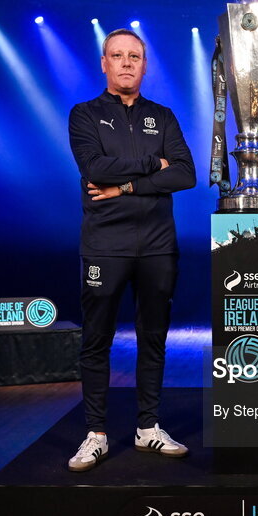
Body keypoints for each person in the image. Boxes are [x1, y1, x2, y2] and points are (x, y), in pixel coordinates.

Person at [66, 28, 196, 472]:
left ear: (144, 65)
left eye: (134, 56)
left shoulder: (162, 116)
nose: (126, 63)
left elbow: (185, 174)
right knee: (97, 339)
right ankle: (96, 434)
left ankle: (148, 427)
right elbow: (94, 167)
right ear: (104, 63)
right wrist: (152, 164)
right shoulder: (84, 114)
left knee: (153, 337)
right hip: (105, 245)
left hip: (157, 246)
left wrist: (124, 186)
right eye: (117, 56)